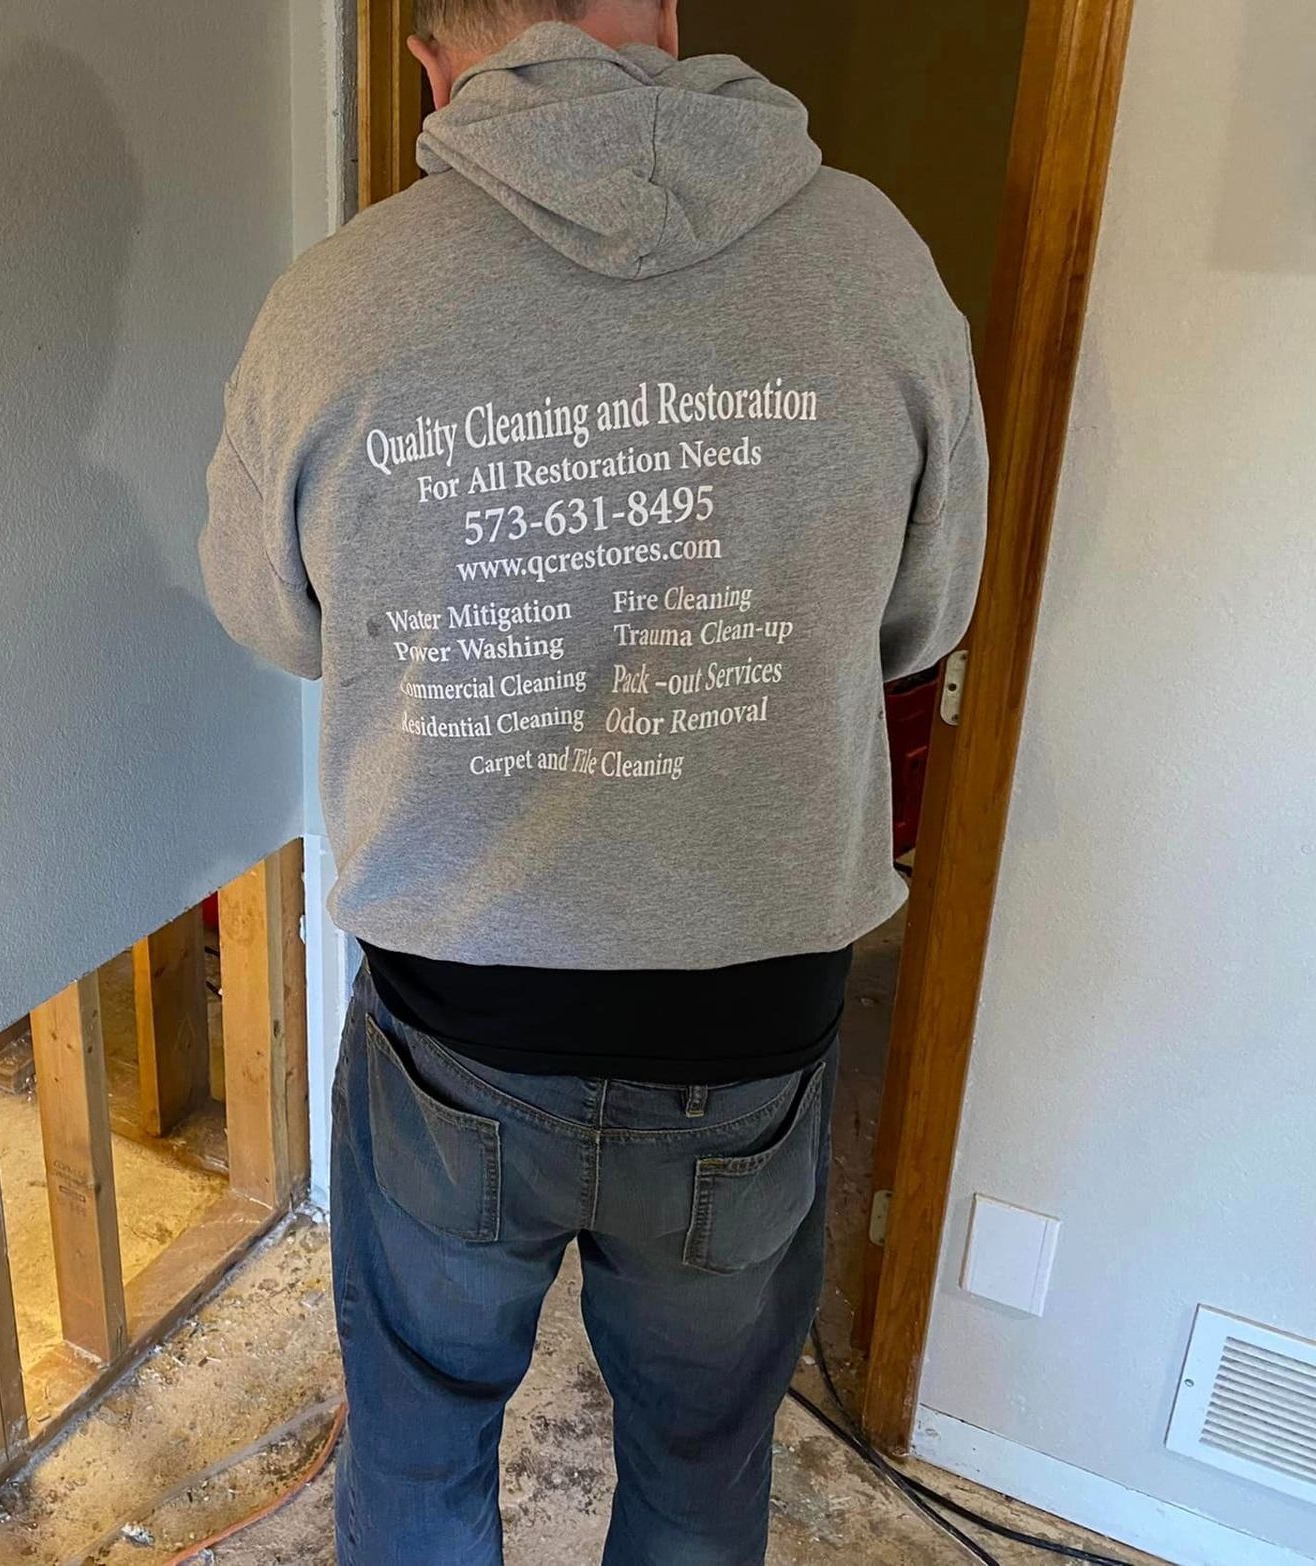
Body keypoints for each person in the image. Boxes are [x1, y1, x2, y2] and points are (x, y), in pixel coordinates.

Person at [199, 0, 987, 1558]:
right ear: (669, 22)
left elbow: (271, 615)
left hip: (456, 1024)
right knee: (700, 1465)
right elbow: (924, 618)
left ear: (432, 60)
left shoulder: (334, 305)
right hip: (748, 1028)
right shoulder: (876, 264)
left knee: (418, 1452)